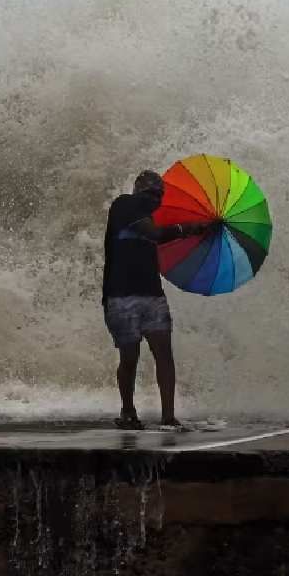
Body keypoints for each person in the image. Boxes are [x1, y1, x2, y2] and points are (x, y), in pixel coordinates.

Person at [102, 170, 209, 430]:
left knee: (164, 354)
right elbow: (154, 234)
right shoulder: (124, 205)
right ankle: (128, 410)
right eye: (152, 194)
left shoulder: (151, 216)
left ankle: (168, 417)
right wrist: (188, 228)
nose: (156, 200)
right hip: (120, 296)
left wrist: (203, 229)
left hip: (152, 294)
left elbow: (159, 235)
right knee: (130, 358)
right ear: (140, 191)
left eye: (159, 196)